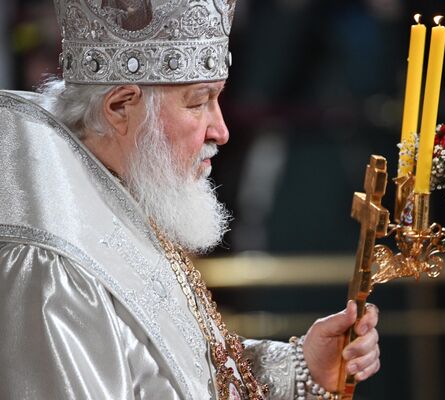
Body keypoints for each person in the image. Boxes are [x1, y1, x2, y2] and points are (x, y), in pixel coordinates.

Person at [0, 0, 380, 399]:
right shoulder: (50, 268)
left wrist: (300, 368)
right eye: (198, 103)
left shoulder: (119, 194)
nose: (221, 130)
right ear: (119, 108)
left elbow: (179, 369)